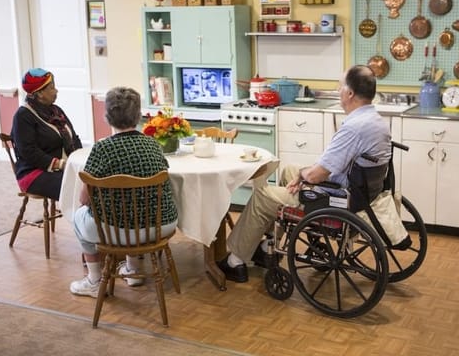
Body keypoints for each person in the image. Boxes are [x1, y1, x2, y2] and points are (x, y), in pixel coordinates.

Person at [219, 65, 392, 283]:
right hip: (358, 191)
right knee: (288, 171)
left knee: (263, 195)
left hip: (336, 199)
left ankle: (235, 260)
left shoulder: (353, 127)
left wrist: (303, 177)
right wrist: (300, 175)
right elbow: (329, 167)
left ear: (349, 93)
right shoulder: (376, 120)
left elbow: (316, 175)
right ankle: (266, 245)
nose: (338, 91)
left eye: (340, 87)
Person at [69, 86, 178, 297]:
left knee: (79, 218)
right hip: (161, 225)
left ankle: (94, 280)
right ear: (138, 116)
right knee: (134, 209)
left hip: (118, 230)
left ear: (108, 116)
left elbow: (84, 198)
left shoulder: (102, 149)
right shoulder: (153, 144)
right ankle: (133, 270)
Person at [11, 68, 82, 200]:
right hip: (34, 173)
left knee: (93, 178)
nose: (56, 91)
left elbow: (74, 138)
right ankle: (80, 219)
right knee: (78, 187)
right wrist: (59, 164)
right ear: (39, 93)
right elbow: (29, 152)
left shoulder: (56, 111)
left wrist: (80, 160)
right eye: (52, 88)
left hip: (62, 167)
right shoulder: (23, 116)